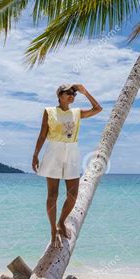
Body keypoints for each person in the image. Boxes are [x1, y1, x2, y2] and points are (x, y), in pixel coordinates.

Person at [32, 83, 102, 248]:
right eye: (68, 93)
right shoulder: (49, 111)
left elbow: (98, 108)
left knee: (73, 195)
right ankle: (52, 230)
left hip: (72, 151)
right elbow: (42, 134)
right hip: (53, 151)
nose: (72, 95)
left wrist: (85, 91)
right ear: (59, 95)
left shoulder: (77, 113)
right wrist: (35, 154)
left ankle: (61, 222)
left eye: (74, 93)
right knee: (53, 195)